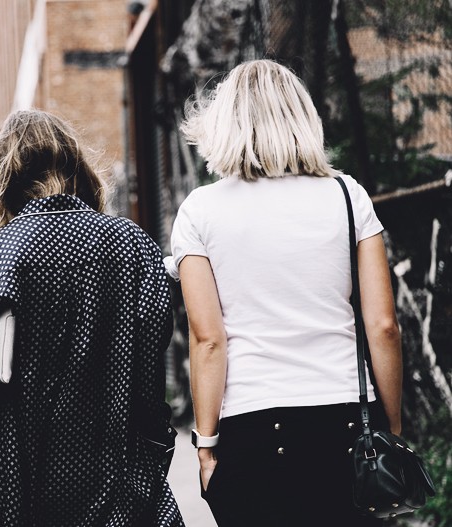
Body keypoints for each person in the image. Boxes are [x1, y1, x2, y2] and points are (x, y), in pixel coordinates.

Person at [167, 59, 402, 527]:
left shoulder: (199, 211)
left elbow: (209, 339)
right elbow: (383, 327)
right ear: (302, 118)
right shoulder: (346, 195)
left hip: (249, 429)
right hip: (346, 422)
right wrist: (391, 429)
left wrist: (206, 447)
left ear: (225, 124)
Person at [0, 109, 184, 527]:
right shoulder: (133, 245)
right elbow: (150, 373)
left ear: (5, 177)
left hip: (19, 482)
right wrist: (155, 453)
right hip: (120, 475)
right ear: (76, 165)